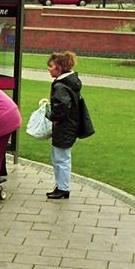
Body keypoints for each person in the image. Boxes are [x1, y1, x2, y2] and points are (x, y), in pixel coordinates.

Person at [46, 51, 82, 200]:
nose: (49, 69)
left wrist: (50, 115)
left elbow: (62, 108)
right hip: (68, 125)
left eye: (51, 66)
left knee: (61, 157)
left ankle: (63, 188)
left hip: (64, 126)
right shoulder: (69, 83)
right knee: (60, 156)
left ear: (59, 68)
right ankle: (61, 185)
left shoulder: (61, 86)